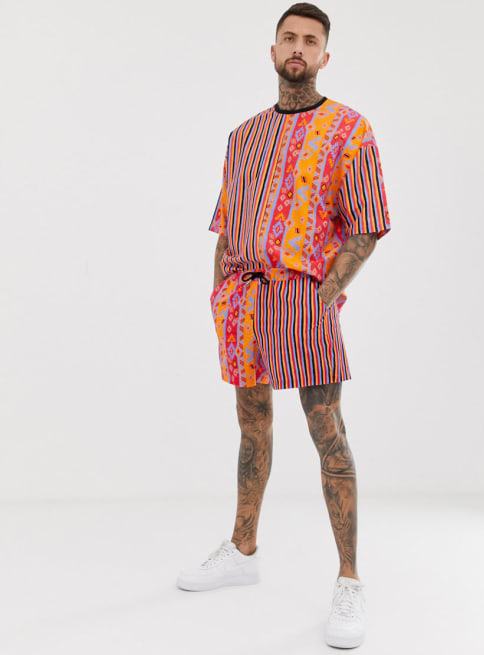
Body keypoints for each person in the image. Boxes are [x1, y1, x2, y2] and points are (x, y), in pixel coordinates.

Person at [177, 3, 391, 649]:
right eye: (289, 38)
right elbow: (224, 223)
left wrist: (324, 295)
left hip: (302, 297)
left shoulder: (348, 129)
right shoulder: (242, 136)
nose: (298, 48)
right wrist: (219, 292)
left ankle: (349, 578)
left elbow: (366, 224)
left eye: (310, 40)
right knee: (252, 423)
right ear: (272, 50)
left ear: (325, 55)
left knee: (327, 431)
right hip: (241, 299)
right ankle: (242, 549)